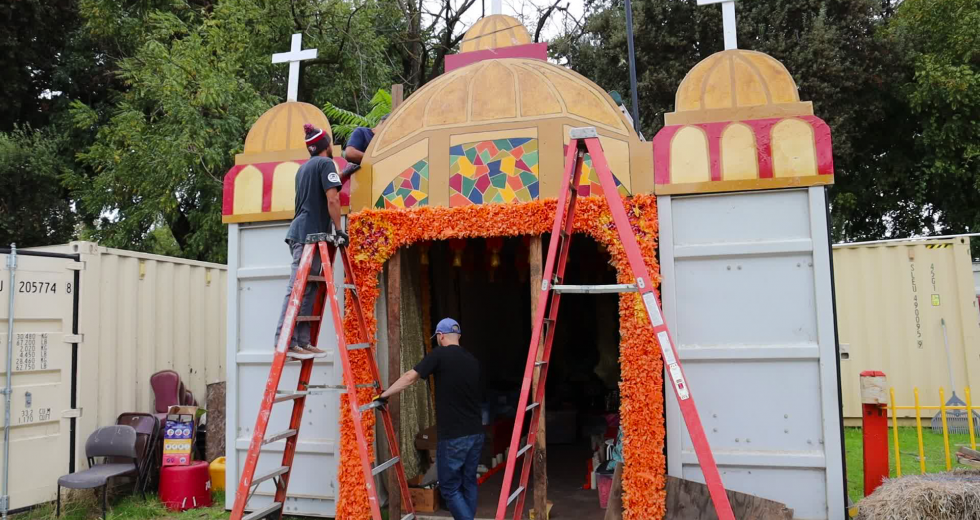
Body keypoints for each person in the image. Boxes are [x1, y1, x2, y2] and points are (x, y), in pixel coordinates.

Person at [376, 318, 484, 520]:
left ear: (441, 336)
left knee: (450, 488)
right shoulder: (473, 360)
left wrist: (385, 395)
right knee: (468, 481)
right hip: (476, 433)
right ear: (458, 336)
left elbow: (410, 377)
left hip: (453, 436)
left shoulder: (440, 355)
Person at [273, 123, 348, 360]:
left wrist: (342, 177)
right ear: (327, 145)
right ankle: (283, 341)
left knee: (308, 288)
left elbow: (314, 195)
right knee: (297, 287)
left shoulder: (303, 169)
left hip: (304, 233)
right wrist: (339, 229)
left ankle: (301, 342)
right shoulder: (327, 164)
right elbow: (332, 199)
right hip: (309, 235)